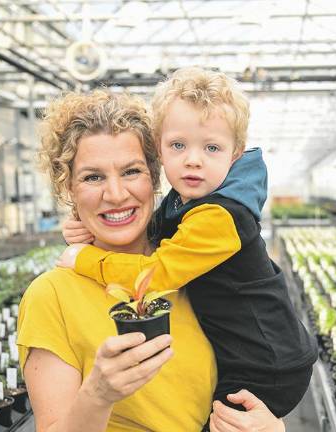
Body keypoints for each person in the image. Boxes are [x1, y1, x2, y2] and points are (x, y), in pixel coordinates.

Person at [58, 67, 318, 423]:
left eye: (212, 148)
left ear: (236, 154)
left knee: (221, 423)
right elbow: (160, 233)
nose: (193, 159)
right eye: (178, 145)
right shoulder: (186, 200)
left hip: (267, 363)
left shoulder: (221, 217)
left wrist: (86, 258)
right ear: (160, 150)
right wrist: (94, 227)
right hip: (247, 351)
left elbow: (156, 273)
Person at [19, 90, 283, 432]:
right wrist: (98, 395)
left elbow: (251, 378)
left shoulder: (196, 269)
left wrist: (271, 427)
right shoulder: (51, 296)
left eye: (131, 171)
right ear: (68, 187)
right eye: (92, 177)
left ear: (155, 174)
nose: (115, 195)